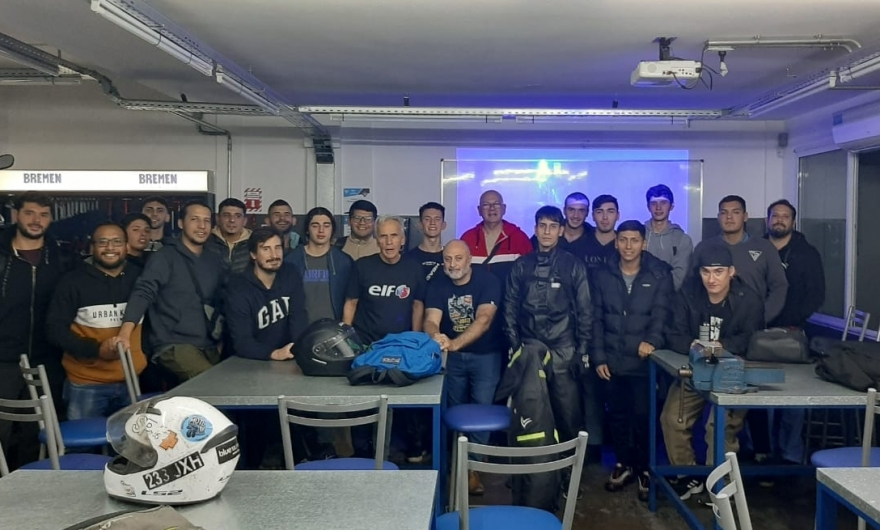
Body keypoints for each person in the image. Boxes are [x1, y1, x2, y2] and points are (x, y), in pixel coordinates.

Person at [660, 245, 764, 501]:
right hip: (697, 368)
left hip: (733, 371)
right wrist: (694, 346)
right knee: (672, 419)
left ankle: (719, 487)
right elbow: (672, 333)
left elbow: (754, 340)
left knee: (719, 428)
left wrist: (722, 346)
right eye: (705, 272)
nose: (711, 279)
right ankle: (688, 475)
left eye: (718, 272)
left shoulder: (749, 299)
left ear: (731, 272)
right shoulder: (688, 294)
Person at [590, 220, 673, 501]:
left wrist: (653, 341)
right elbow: (596, 318)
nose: (628, 246)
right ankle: (624, 464)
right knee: (617, 416)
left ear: (643, 243)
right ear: (616, 242)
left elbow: (662, 315)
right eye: (623, 240)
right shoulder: (603, 274)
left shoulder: (659, 273)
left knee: (643, 417)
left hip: (644, 362)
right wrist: (599, 356)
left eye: (634, 240)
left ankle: (645, 468)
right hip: (611, 360)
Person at [503, 206, 591, 447]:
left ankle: (571, 469)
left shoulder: (573, 265)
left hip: (564, 350)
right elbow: (509, 308)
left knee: (568, 414)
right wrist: (515, 346)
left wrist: (582, 351)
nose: (547, 232)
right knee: (529, 414)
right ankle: (531, 468)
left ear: (561, 230)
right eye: (542, 226)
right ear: (535, 229)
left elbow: (585, 310)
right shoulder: (521, 265)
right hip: (529, 350)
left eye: (553, 227)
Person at [0, 191, 75, 470]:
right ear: (16, 214)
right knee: (2, 433)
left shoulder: (62, 258)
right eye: (30, 213)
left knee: (39, 435)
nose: (36, 220)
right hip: (3, 360)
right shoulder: (2, 256)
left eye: (43, 215)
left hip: (48, 360)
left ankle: (31, 489)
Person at [45, 222, 147, 420]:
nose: (110, 248)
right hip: (86, 384)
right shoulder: (72, 281)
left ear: (127, 246)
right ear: (92, 248)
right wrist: (97, 350)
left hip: (133, 381)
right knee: (84, 440)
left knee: (132, 439)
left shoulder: (141, 278)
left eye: (117, 242)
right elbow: (54, 330)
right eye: (103, 242)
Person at [117, 200, 226, 383]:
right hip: (173, 344)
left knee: (223, 387)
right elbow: (143, 292)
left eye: (207, 220)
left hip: (209, 344)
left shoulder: (214, 260)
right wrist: (125, 333)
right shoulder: (164, 257)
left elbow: (223, 301)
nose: (202, 226)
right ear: (181, 223)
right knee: (211, 384)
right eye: (195, 219)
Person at [424, 239, 502, 495]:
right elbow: (430, 320)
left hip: (486, 355)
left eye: (458, 258)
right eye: (448, 259)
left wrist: (455, 343)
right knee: (454, 410)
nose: (453, 264)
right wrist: (436, 337)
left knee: (481, 410)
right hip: (452, 359)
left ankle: (473, 468)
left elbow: (484, 320)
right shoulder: (437, 283)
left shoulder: (488, 281)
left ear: (469, 260)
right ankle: (458, 463)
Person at [764, 199, 826, 468]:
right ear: (767, 220)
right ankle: (762, 452)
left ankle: (790, 455)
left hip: (794, 334)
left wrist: (794, 321)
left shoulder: (807, 253)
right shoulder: (755, 249)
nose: (779, 220)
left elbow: (817, 294)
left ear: (793, 221)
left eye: (785, 216)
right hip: (759, 334)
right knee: (761, 395)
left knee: (794, 396)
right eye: (775, 215)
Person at [691, 195, 788, 325]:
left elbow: (779, 286)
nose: (729, 217)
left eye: (735, 212)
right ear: (718, 217)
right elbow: (692, 287)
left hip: (753, 322)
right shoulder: (703, 248)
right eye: (724, 213)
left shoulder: (765, 247)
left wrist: (762, 317)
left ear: (745, 216)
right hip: (712, 322)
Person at [224, 227, 308, 360]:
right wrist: (275, 353)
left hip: (287, 357)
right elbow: (242, 342)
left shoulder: (291, 273)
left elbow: (298, 318)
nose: (274, 255)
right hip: (247, 361)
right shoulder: (238, 288)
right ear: (253, 254)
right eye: (266, 249)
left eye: (277, 248)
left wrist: (297, 349)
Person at [343, 215, 426, 344]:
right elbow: (351, 303)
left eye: (394, 235)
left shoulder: (414, 268)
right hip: (365, 343)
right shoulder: (362, 266)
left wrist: (415, 338)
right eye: (383, 236)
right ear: (377, 241)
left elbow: (417, 305)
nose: (389, 242)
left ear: (402, 239)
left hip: (400, 343)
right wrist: (346, 338)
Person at [284, 207, 354, 323]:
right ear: (307, 229)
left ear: (332, 229)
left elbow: (351, 301)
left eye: (326, 226)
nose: (321, 230)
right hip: (299, 328)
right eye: (315, 226)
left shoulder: (344, 261)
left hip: (333, 328)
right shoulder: (291, 260)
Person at [460, 189, 532, 284]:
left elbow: (530, 275)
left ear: (504, 208)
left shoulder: (519, 238)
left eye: (496, 204)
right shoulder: (468, 238)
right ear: (479, 210)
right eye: (486, 205)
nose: (492, 208)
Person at [644, 184, 693, 290]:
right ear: (648, 207)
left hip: (669, 297)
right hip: (639, 295)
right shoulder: (638, 235)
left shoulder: (682, 239)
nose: (658, 208)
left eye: (663, 203)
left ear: (671, 206)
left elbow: (679, 276)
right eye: (654, 203)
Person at [529, 192, 594, 254]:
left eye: (581, 210)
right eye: (571, 210)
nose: (576, 215)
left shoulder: (594, 237)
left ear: (587, 212)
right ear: (564, 211)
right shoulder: (544, 234)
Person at [206, 198, 252, 273]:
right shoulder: (206, 241)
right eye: (226, 215)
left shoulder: (254, 242)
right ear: (217, 218)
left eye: (238, 216)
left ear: (245, 221)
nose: (232, 220)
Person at [408, 202, 446, 283]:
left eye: (437, 219)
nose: (432, 223)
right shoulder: (408, 258)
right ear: (420, 224)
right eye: (427, 219)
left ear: (443, 225)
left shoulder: (450, 257)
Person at [582, 194, 619, 273]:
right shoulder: (580, 244)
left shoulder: (625, 245)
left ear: (618, 216)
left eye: (610, 212)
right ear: (593, 216)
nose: (605, 217)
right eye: (599, 212)